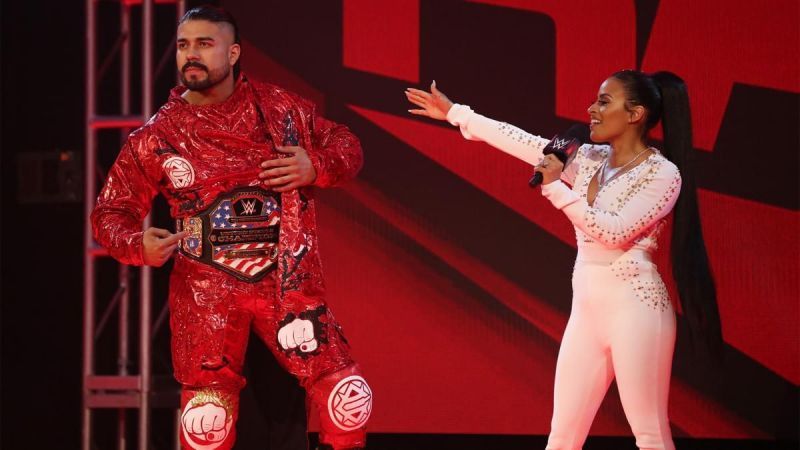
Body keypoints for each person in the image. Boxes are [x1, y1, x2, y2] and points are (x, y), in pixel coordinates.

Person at [92, 6, 372, 450]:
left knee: (348, 399)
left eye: (204, 44)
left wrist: (314, 164)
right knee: (207, 424)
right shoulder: (157, 136)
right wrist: (135, 243)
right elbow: (110, 213)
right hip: (208, 296)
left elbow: (346, 145)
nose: (191, 55)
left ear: (234, 52)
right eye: (184, 45)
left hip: (286, 286)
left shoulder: (282, 110)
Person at [405, 71, 721, 449]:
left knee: (650, 434)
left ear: (635, 114)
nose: (592, 109)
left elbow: (614, 232)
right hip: (587, 312)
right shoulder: (587, 157)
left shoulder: (662, 174)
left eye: (605, 102)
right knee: (563, 436)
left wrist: (555, 187)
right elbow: (519, 139)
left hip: (637, 311)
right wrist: (458, 113)